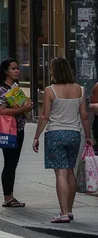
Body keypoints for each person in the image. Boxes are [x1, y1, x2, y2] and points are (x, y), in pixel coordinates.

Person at [34, 58, 89, 224]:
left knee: (60, 173)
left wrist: (36, 135)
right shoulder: (80, 90)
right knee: (70, 171)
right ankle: (70, 210)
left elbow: (44, 116)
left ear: (54, 71)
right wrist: (88, 136)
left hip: (55, 134)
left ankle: (63, 212)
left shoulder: (50, 90)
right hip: (74, 134)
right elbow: (84, 116)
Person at [0, 59, 32, 209]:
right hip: (8, 130)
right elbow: (2, 111)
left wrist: (27, 105)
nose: (16, 71)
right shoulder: (1, 89)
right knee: (9, 163)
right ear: (6, 71)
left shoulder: (14, 87)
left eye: (17, 68)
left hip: (18, 129)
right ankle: (8, 197)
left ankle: (10, 196)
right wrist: (23, 110)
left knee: (13, 163)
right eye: (13, 69)